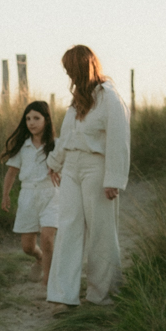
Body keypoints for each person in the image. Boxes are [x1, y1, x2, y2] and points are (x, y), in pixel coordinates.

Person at [46, 45, 130, 307]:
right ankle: (63, 296)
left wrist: (114, 179)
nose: (68, 74)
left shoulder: (110, 98)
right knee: (68, 226)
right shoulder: (76, 101)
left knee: (101, 232)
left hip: (97, 168)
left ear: (83, 67)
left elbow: (119, 139)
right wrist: (54, 163)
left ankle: (102, 294)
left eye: (71, 69)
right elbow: (68, 135)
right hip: (71, 166)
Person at [0, 100, 59, 287]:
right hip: (28, 196)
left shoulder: (57, 145)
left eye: (36, 118)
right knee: (27, 246)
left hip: (51, 194)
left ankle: (48, 281)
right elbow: (11, 172)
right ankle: (39, 257)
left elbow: (68, 168)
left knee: (48, 239)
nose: (31, 123)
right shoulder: (22, 146)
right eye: (28, 119)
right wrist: (5, 195)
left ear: (46, 120)